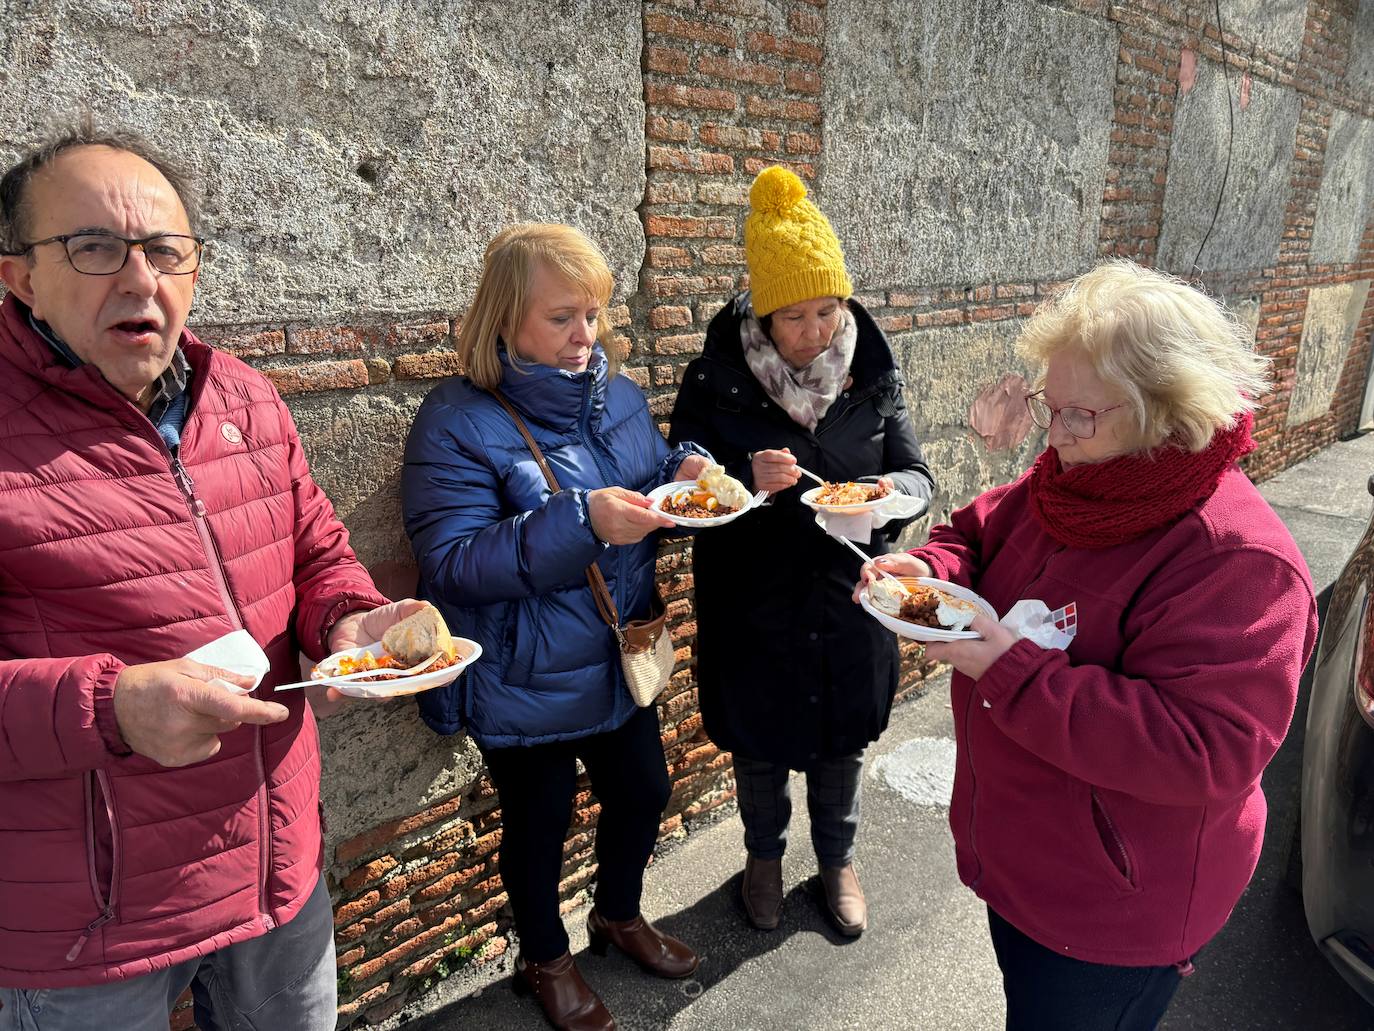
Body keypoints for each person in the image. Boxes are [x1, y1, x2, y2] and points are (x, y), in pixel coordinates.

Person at [0, 127, 422, 1029]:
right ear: (21, 277)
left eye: (164, 250)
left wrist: (348, 621)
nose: (139, 278)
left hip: (275, 867)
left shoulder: (246, 398)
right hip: (87, 929)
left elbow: (317, 552)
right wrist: (107, 708)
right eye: (94, 248)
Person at [857, 260, 1318, 1030]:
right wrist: (928, 571)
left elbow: (1208, 748)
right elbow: (976, 528)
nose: (1053, 435)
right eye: (1051, 406)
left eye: (1080, 416)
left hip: (1117, 913)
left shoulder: (1238, 561)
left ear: (1165, 413)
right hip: (1029, 868)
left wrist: (1013, 673)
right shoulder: (1076, 474)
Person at [402, 223, 708, 1031]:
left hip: (613, 655)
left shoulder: (619, 393)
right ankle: (546, 957)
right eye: (562, 317)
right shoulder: (455, 420)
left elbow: (644, 486)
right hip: (521, 674)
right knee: (540, 826)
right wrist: (584, 522)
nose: (585, 337)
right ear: (506, 320)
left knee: (644, 790)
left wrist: (686, 476)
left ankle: (618, 913)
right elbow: (455, 561)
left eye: (594, 314)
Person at [668, 166, 935, 937]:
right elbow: (683, 498)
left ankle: (837, 861)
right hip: (754, 606)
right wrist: (742, 483)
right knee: (758, 751)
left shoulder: (873, 376)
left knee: (841, 747)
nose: (819, 332)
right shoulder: (715, 383)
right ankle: (762, 858)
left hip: (850, 603)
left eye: (829, 308)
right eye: (796, 316)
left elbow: (917, 474)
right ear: (761, 312)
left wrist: (890, 497)